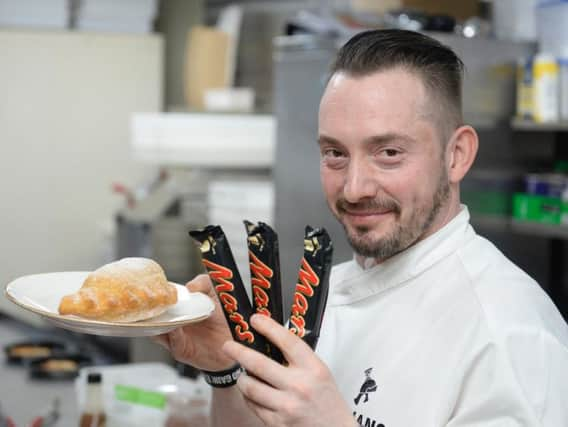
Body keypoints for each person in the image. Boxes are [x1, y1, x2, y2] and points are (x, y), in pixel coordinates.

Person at [155, 29, 568, 426]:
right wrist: (227, 368)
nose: (354, 188)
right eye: (335, 153)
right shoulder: (330, 291)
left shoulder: (509, 336)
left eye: (388, 152)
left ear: (456, 155)